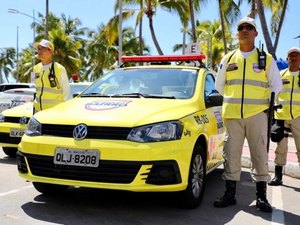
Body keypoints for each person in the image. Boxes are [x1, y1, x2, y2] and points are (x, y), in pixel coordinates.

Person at [214, 16, 282, 213]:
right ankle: (230, 194)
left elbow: (276, 86)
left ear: (255, 33)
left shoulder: (265, 59)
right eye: (241, 27)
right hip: (233, 115)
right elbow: (220, 86)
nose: (244, 30)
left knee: (259, 154)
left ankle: (261, 197)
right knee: (231, 154)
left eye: (249, 27)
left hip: (257, 115)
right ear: (237, 33)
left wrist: (263, 108)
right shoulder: (228, 59)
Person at [269, 47, 300, 186]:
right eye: (290, 56)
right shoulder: (280, 75)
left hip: (298, 116)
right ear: (287, 59)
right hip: (281, 116)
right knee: (281, 147)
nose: (293, 58)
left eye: (296, 56)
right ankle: (278, 176)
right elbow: (273, 93)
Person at [33, 39, 70, 112]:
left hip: (54, 112)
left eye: (43, 48)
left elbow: (66, 92)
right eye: (38, 48)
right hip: (38, 111)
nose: (39, 51)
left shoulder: (60, 69)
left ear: (51, 51)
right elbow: (35, 88)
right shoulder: (35, 68)